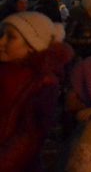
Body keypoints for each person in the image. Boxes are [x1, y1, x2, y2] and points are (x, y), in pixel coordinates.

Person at [0, 11, 74, 171]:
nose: (1, 42)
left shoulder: (43, 83)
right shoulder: (6, 72)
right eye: (2, 34)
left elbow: (29, 136)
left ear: (32, 46)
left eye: (10, 37)